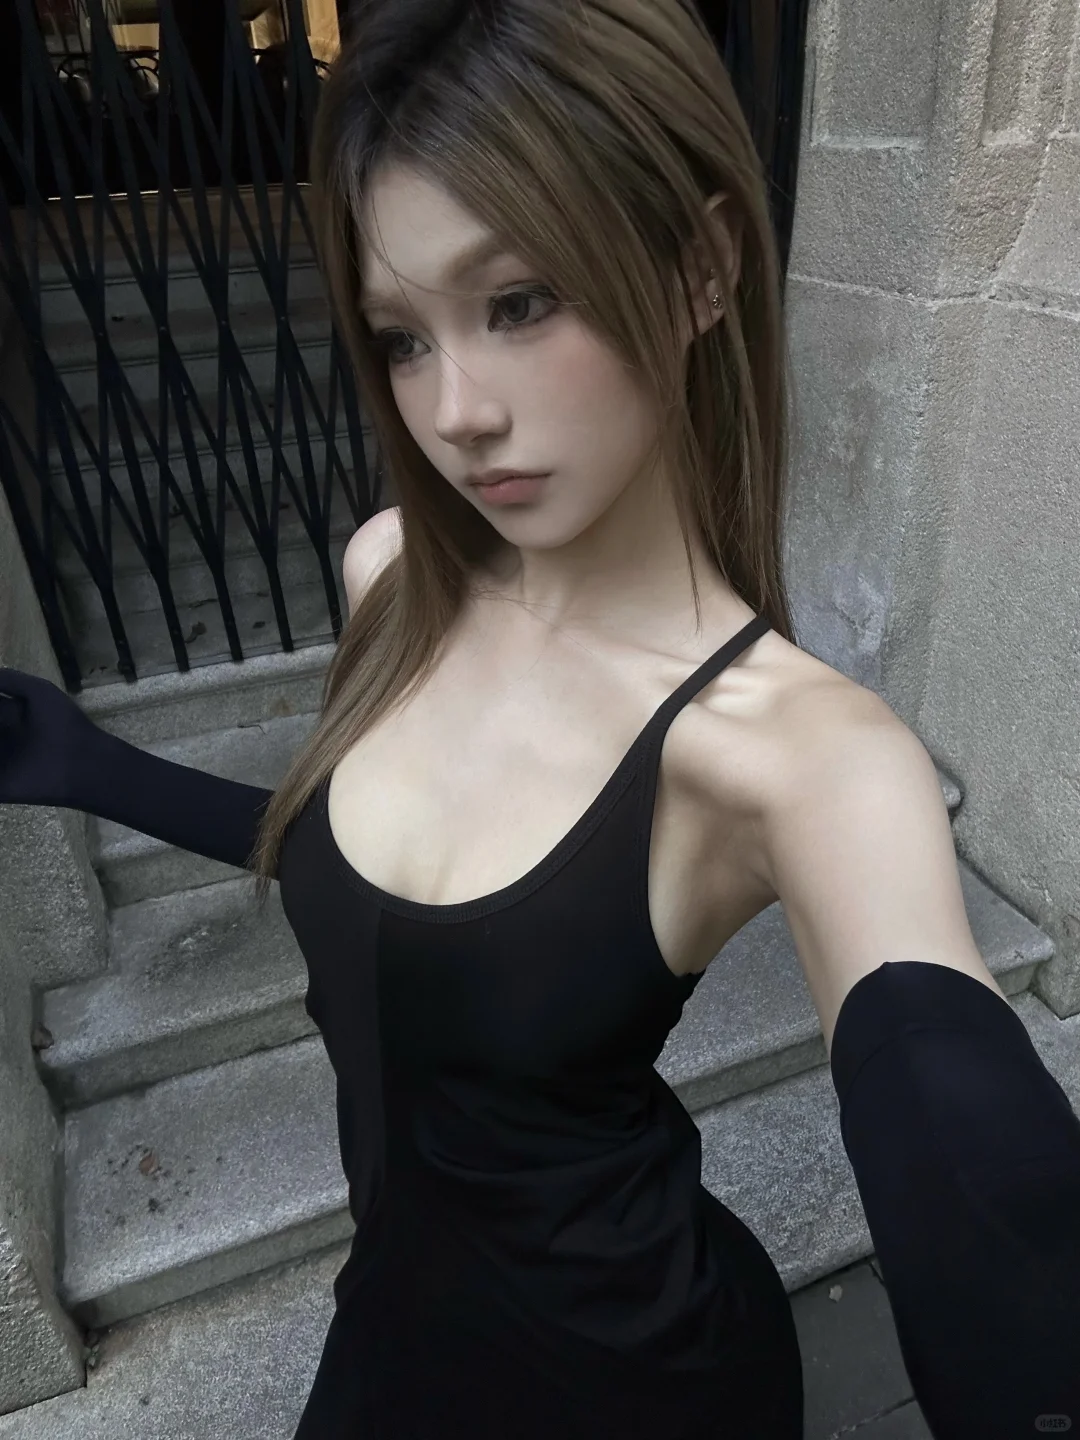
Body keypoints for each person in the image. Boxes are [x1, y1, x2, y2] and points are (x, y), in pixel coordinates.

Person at [2, 1, 1079, 1436]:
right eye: (403, 337)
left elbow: (956, 1122)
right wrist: (88, 768)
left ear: (699, 272)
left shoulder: (803, 754)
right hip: (393, 1323)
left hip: (646, 1381)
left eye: (518, 303)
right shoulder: (391, 574)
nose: (457, 412)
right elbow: (358, 860)